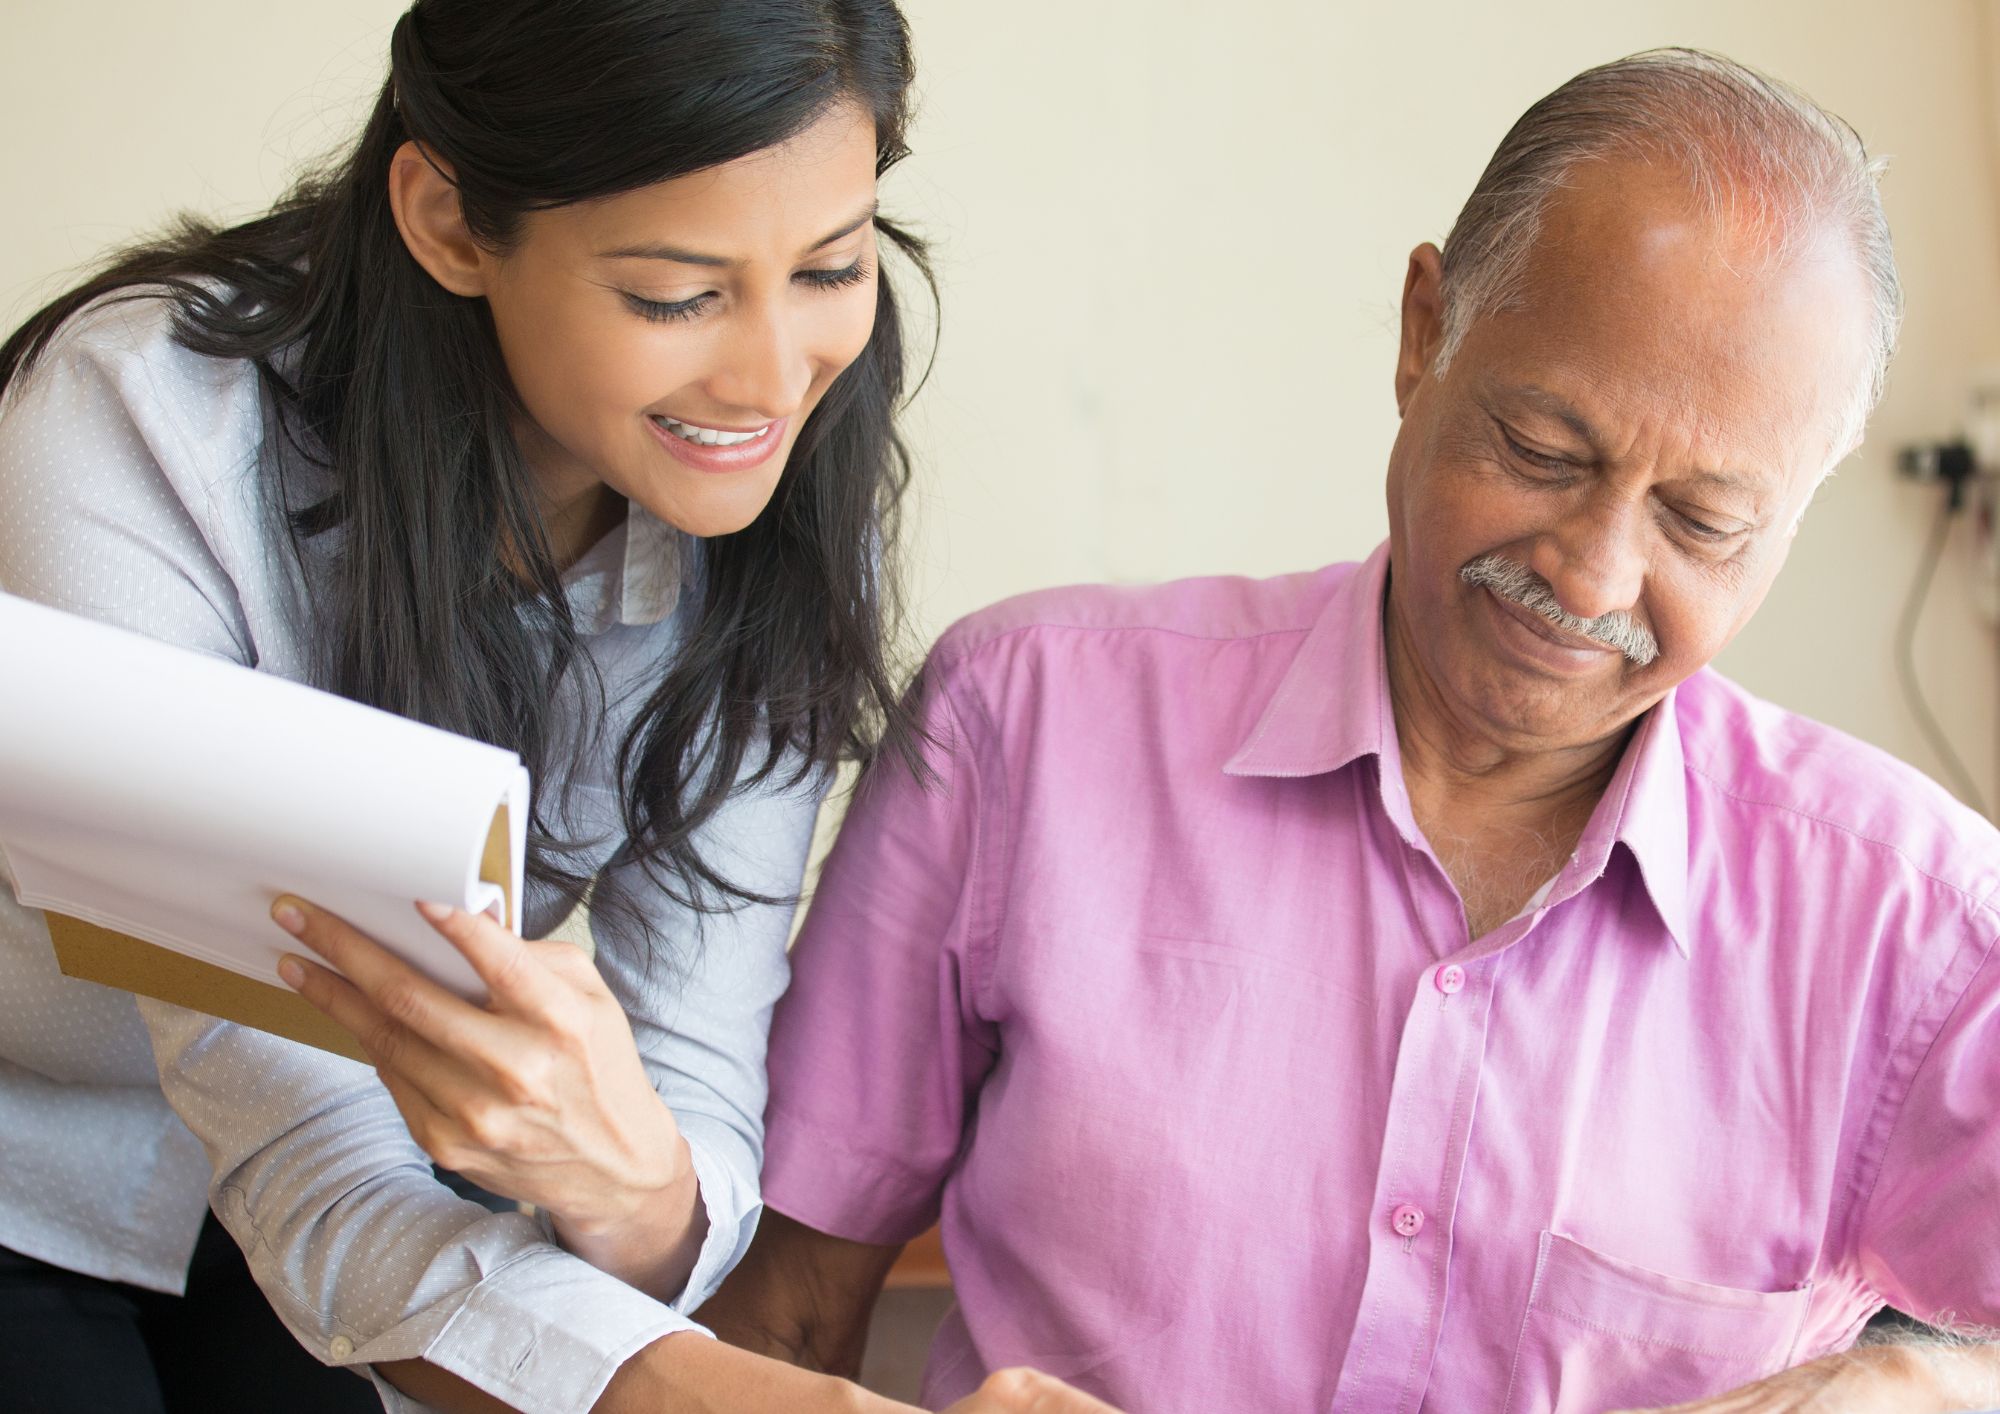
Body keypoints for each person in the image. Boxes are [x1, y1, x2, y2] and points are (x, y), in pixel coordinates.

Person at [699, 48, 2000, 1414]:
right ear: (1422, 330)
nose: (1594, 577)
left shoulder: (1917, 923)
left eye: (1704, 523)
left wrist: (1927, 1383)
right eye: (1546, 451)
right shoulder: (1019, 722)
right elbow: (779, 1312)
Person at [0, 4, 1110, 1412]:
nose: (773, 381)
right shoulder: (138, 425)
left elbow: (692, 1082)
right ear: (451, 221)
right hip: (38, 1144)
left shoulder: (782, 495)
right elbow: (295, 1135)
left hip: (364, 1182)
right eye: (674, 295)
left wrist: (637, 1186)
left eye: (833, 266)